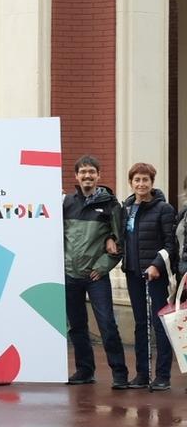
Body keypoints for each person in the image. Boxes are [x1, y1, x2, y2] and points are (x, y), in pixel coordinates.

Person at [62, 156, 127, 388]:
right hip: (70, 275)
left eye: (91, 172)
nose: (87, 176)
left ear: (98, 175)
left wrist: (102, 267)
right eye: (83, 172)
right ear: (76, 176)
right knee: (76, 327)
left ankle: (119, 373)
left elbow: (119, 245)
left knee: (107, 324)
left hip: (96, 276)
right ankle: (85, 370)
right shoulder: (66, 203)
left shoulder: (111, 205)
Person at [120, 162, 176, 391]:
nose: (141, 184)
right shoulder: (127, 207)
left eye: (145, 180)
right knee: (141, 324)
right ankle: (142, 374)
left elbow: (170, 244)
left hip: (155, 275)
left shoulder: (163, 209)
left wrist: (155, 266)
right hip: (133, 274)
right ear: (131, 182)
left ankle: (162, 375)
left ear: (152, 183)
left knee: (159, 324)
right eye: (137, 180)